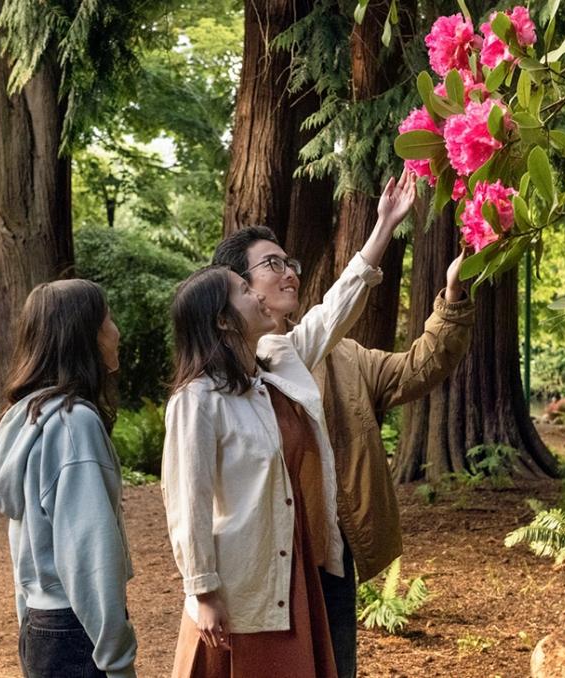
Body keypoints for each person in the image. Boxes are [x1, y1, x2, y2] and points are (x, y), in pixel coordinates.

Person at [162, 171, 416, 677]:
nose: (268, 289)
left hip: (296, 569)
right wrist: (203, 588)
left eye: (286, 262)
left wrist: (383, 228)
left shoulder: (273, 365)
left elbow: (331, 313)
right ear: (221, 314)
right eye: (255, 277)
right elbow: (185, 500)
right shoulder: (197, 399)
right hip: (242, 584)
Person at [211, 223, 475, 677]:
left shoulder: (343, 356)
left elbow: (419, 366)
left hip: (327, 553)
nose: (289, 273)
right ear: (238, 286)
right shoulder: (221, 377)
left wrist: (452, 295)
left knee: (335, 666)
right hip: (261, 561)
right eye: (271, 264)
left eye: (289, 263)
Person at [0, 279, 137, 678]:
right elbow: (89, 556)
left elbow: (26, 545)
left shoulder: (25, 417)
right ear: (82, 335)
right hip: (77, 636)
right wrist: (118, 664)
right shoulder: (74, 424)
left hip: (42, 629)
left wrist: (29, 620)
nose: (116, 331)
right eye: (107, 319)